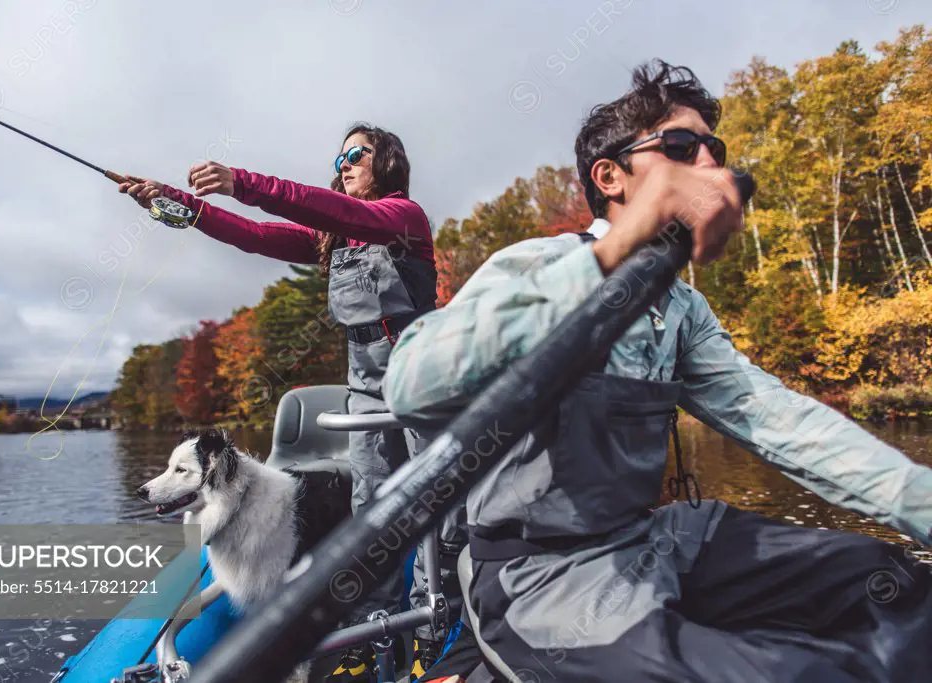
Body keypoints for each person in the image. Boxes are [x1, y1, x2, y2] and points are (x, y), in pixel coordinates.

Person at [382, 60, 932, 682]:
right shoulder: (538, 262)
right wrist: (616, 255)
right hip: (538, 577)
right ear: (610, 177)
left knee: (901, 585)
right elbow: (410, 385)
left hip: (657, 540)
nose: (708, 164)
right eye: (679, 146)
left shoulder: (684, 309)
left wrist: (924, 505)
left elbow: (782, 422)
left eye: (714, 149)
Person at [116, 124, 464, 681]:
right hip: (365, 386)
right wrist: (173, 200)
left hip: (423, 378)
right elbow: (252, 236)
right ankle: (373, 627)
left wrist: (240, 180)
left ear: (389, 162)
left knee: (441, 509)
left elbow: (332, 209)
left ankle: (436, 631)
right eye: (340, 156)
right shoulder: (331, 238)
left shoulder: (403, 216)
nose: (345, 163)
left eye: (357, 153)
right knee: (370, 513)